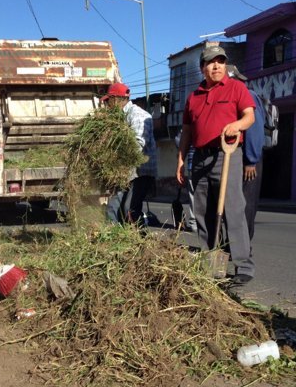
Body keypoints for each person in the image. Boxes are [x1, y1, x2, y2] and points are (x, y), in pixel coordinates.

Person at [176, 46, 255, 286]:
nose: (217, 66)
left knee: (233, 210)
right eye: (211, 62)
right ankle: (211, 260)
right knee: (202, 212)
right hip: (200, 157)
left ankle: (243, 265)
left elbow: (249, 116)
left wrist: (237, 125)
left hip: (227, 154)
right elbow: (187, 132)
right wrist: (181, 160)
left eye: (221, 61)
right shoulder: (193, 97)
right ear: (203, 67)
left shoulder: (236, 88)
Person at [102, 83, 158, 226]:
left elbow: (137, 145)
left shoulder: (137, 115)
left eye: (108, 101)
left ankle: (139, 237)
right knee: (113, 206)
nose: (107, 105)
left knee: (130, 209)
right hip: (127, 171)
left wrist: (118, 161)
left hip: (140, 172)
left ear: (116, 99)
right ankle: (112, 234)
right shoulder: (121, 116)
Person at [227, 65, 266, 245]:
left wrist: (251, 160)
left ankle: (243, 245)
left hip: (248, 157)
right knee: (234, 203)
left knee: (246, 204)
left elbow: (254, 129)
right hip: (235, 155)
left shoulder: (247, 95)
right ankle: (231, 243)